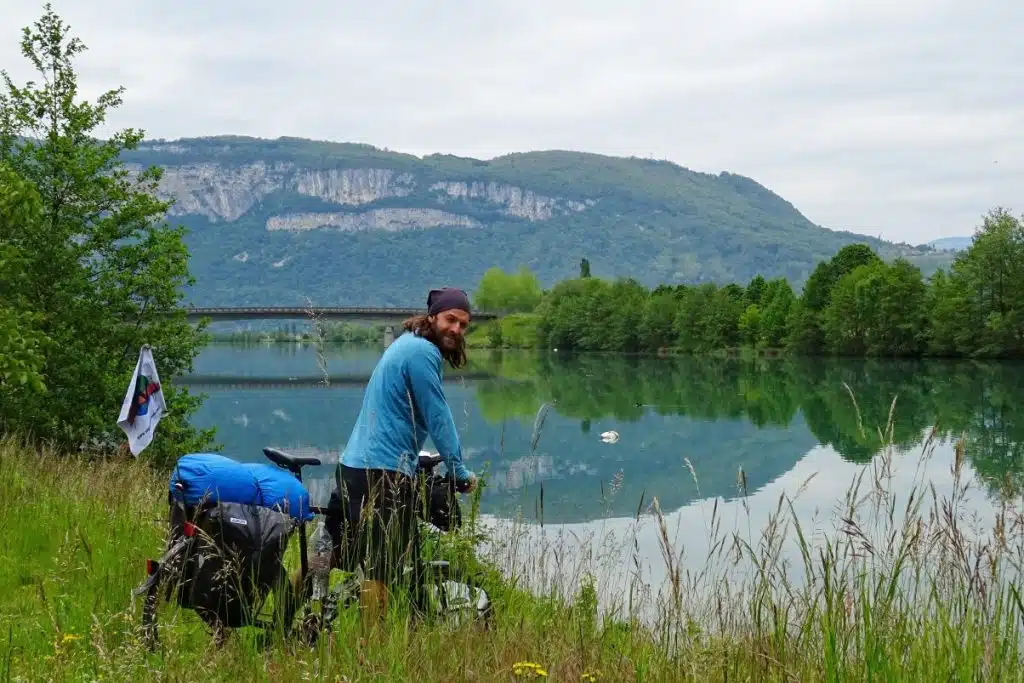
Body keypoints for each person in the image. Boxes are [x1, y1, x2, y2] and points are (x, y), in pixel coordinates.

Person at [329, 287, 478, 627]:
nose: (456, 329)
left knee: (332, 556)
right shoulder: (422, 352)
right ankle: (372, 652)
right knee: (381, 567)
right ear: (432, 318)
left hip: (354, 465)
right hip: (381, 472)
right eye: (450, 320)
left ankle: (282, 619)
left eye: (463, 324)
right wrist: (459, 470)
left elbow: (401, 413)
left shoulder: (404, 344)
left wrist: (416, 460)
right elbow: (438, 415)